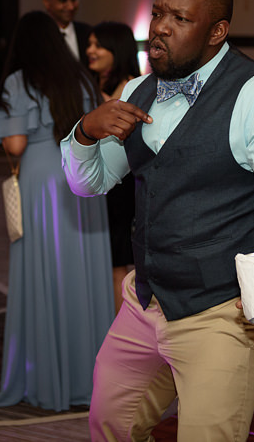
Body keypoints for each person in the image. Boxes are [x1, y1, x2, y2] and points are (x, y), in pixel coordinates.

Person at [62, 0, 254, 441]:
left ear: (216, 32)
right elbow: (90, 183)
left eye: (178, 18)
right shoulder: (135, 91)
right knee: (110, 423)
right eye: (158, 13)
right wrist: (86, 130)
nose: (159, 26)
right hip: (145, 301)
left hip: (219, 309)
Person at [0, 10, 113, 412]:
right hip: (80, 170)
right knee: (84, 274)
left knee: (45, 274)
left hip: (42, 177)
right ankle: (91, 376)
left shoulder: (18, 80)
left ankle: (48, 376)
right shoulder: (80, 77)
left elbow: (15, 145)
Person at [86, 21, 140, 315]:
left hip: (120, 184)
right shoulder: (92, 85)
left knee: (117, 262)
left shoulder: (132, 87)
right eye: (90, 44)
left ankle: (118, 330)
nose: (89, 51)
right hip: (94, 180)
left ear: (116, 50)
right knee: (102, 261)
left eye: (98, 45)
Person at [41, 0, 91, 65]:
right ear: (46, 2)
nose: (71, 7)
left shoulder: (88, 33)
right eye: (63, 0)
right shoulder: (38, 36)